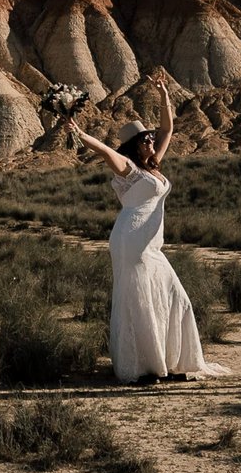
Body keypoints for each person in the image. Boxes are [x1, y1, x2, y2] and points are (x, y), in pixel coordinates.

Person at [66, 73, 228, 383]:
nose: (151, 140)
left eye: (150, 138)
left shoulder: (153, 165)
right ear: (133, 145)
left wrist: (164, 94)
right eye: (145, 139)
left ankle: (171, 363)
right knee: (138, 300)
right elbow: (103, 151)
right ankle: (141, 368)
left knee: (171, 295)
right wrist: (79, 132)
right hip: (130, 240)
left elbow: (168, 128)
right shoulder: (128, 168)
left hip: (150, 244)